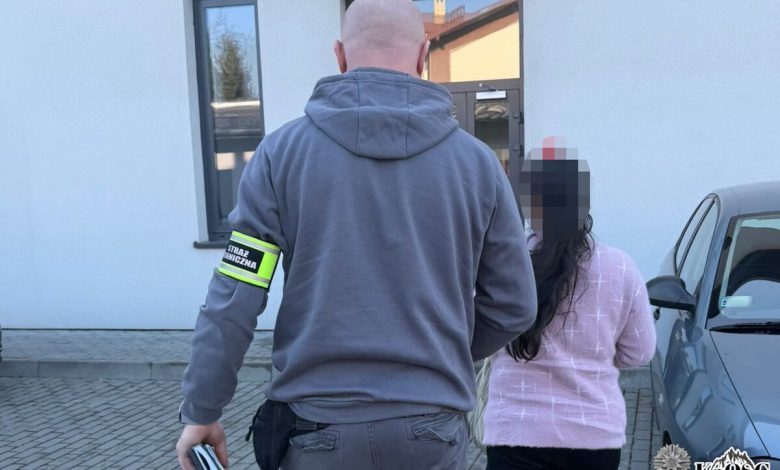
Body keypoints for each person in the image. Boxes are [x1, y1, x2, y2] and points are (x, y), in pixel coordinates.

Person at [175, 0, 538, 468]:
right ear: (423, 55)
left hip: (316, 431)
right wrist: (440, 352)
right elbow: (515, 304)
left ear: (340, 56)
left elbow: (235, 296)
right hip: (430, 430)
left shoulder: (281, 155)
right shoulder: (478, 164)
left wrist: (202, 410)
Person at [482, 158, 656, 470]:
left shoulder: (506, 262)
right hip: (594, 436)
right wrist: (593, 356)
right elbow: (639, 353)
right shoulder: (621, 267)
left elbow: (483, 333)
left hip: (515, 432)